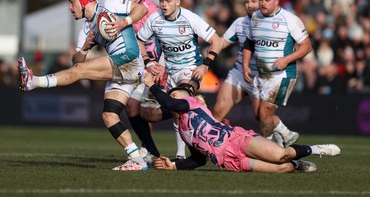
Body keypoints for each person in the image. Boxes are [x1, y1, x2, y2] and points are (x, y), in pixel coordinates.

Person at [18, 0, 150, 171]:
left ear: (83, 0)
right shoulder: (86, 29)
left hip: (129, 60)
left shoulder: (110, 4)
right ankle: (138, 160)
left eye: (72, 3)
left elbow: (141, 9)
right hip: (121, 70)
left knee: (81, 71)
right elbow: (77, 61)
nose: (70, 8)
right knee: (109, 116)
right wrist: (86, 48)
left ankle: (34, 81)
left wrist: (123, 22)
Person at [142, 72, 340, 173]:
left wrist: (151, 84)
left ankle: (316, 149)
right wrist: (174, 166)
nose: (174, 95)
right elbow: (199, 159)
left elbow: (168, 102)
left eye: (177, 92)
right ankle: (297, 164)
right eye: (173, 93)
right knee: (284, 168)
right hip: (230, 162)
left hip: (236, 140)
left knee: (281, 155)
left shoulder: (192, 103)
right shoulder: (184, 132)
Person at [137, 0, 222, 159]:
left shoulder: (190, 18)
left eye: (168, 1)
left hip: (190, 69)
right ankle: (196, 107)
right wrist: (149, 62)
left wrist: (205, 65)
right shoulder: (155, 19)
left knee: (178, 100)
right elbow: (139, 41)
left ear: (177, 2)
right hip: (170, 71)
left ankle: (180, 155)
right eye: (161, 1)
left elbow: (216, 41)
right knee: (147, 114)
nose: (164, 4)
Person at [213, 0, 298, 147]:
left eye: (254, 1)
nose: (250, 5)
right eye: (247, 2)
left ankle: (283, 136)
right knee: (218, 112)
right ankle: (205, 151)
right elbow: (222, 42)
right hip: (239, 72)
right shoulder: (239, 23)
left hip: (261, 76)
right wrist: (208, 56)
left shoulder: (272, 21)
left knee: (261, 116)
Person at [242, 0, 312, 142]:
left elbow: (307, 46)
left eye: (267, 0)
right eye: (261, 0)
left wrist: (287, 59)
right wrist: (245, 65)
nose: (262, 3)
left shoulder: (290, 19)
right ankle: (285, 136)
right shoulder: (255, 17)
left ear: (276, 1)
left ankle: (266, 151)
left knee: (265, 112)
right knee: (258, 115)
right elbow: (249, 43)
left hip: (282, 74)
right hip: (260, 74)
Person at [121, 0, 163, 162]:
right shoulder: (127, 7)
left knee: (151, 112)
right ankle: (150, 151)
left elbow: (164, 38)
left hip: (155, 66)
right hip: (139, 65)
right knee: (132, 108)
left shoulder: (152, 9)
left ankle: (188, 105)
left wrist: (160, 65)